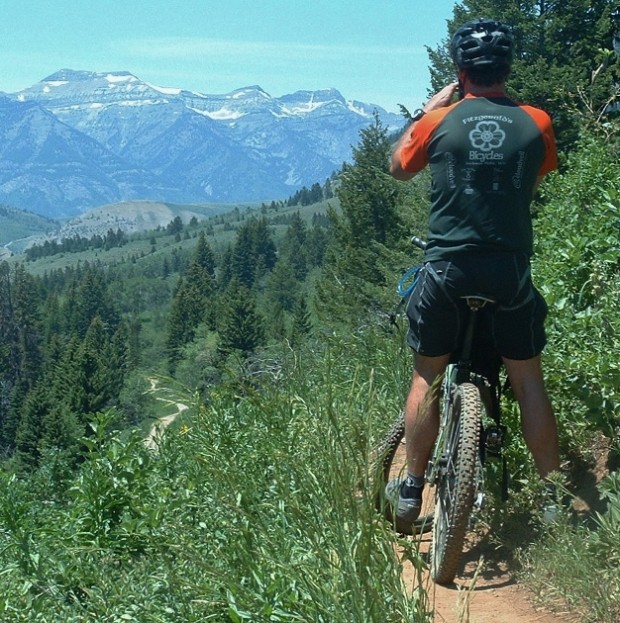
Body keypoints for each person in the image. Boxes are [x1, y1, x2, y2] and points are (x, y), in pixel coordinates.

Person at [386, 18, 561, 527]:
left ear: (460, 71)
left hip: (446, 269)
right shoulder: (537, 122)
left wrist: (431, 108)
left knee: (427, 375)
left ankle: (411, 490)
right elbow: (532, 178)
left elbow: (397, 167)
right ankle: (552, 501)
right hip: (508, 268)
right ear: (506, 69)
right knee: (528, 381)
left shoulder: (438, 121)